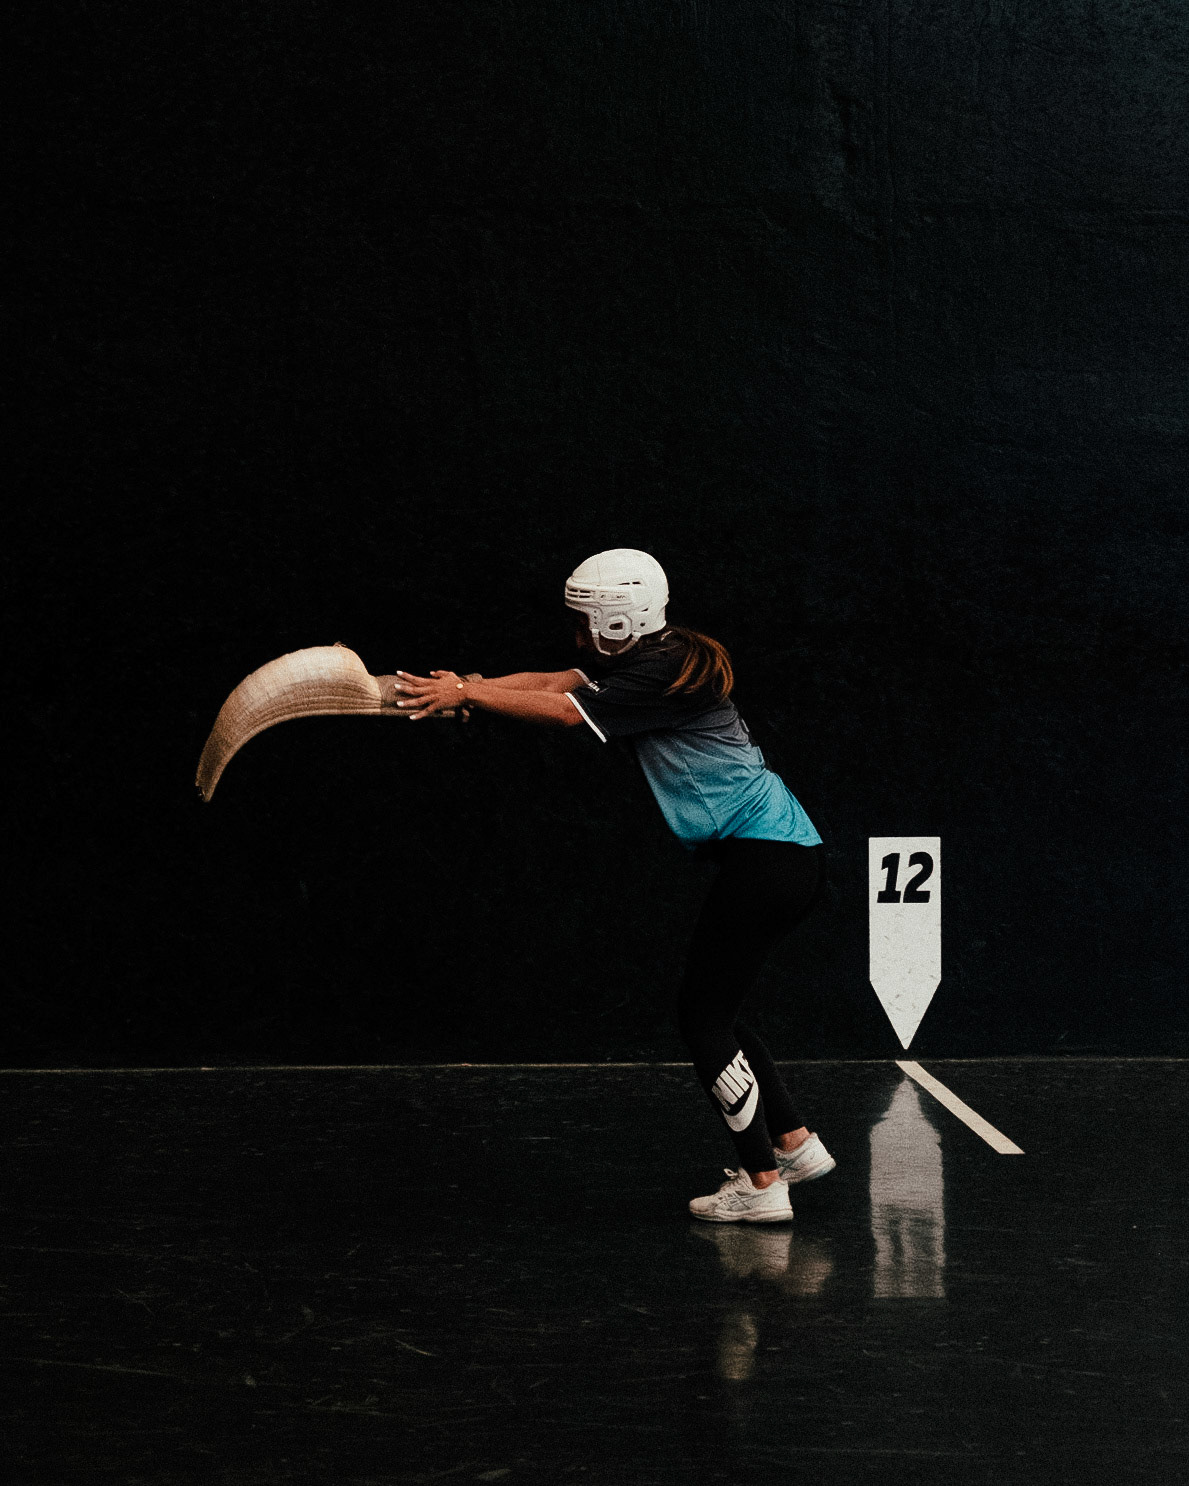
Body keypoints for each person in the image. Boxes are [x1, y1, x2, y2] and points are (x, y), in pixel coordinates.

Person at [393, 548, 835, 1223]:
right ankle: (794, 1145)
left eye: (584, 622)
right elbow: (551, 681)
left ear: (619, 623)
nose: (576, 634)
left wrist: (468, 695)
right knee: (722, 1009)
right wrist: (472, 687)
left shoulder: (658, 674)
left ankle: (762, 1184)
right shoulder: (658, 653)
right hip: (783, 855)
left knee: (702, 1018)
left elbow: (568, 713)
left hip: (767, 861)